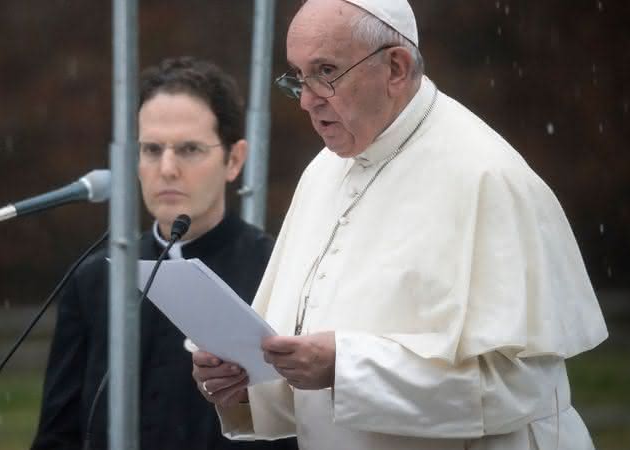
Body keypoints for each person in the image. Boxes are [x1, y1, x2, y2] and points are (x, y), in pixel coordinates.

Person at [192, 1, 608, 449]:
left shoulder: (486, 176)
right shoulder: (324, 171)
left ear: (395, 67)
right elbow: (299, 355)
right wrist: (244, 379)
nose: (307, 99)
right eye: (298, 75)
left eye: (325, 71)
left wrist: (344, 368)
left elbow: (516, 389)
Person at [32, 57, 297, 450]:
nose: (167, 168)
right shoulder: (95, 279)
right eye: (152, 149)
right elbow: (59, 435)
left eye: (190, 149)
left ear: (234, 160)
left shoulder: (280, 270)